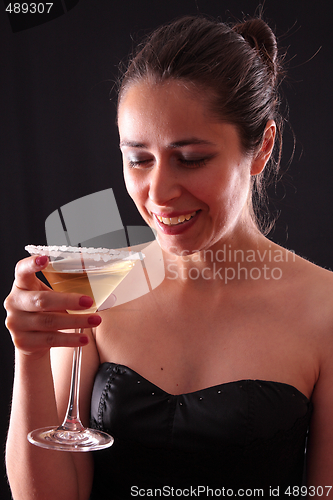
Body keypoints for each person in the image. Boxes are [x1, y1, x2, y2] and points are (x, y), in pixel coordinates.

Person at [4, 14, 333, 500]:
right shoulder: (97, 287)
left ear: (262, 147)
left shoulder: (325, 308)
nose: (157, 192)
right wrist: (28, 354)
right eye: (139, 159)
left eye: (191, 158)